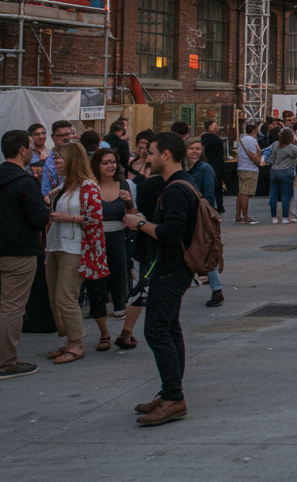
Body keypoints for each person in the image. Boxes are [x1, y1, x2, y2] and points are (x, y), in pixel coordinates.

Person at [123, 132, 199, 426]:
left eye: (151, 153)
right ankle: (170, 391)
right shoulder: (177, 184)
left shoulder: (176, 189)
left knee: (156, 331)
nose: (147, 158)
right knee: (169, 327)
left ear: (166, 154)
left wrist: (140, 223)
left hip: (172, 267)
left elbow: (172, 233)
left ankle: (173, 398)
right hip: (172, 267)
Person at [0, 130, 50, 379]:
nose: (33, 151)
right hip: (18, 252)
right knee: (12, 308)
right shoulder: (24, 181)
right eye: (31, 147)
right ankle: (8, 362)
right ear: (22, 149)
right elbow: (39, 218)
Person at [45, 143, 108, 364]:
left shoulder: (88, 186)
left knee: (66, 297)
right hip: (55, 246)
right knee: (54, 296)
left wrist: (68, 218)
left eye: (60, 158)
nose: (56, 161)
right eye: (55, 158)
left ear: (72, 159)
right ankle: (69, 339)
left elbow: (95, 218)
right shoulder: (64, 186)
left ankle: (76, 343)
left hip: (75, 248)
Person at [89, 148, 134, 338]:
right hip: (95, 237)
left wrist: (130, 203)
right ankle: (98, 310)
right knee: (97, 278)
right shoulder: (90, 186)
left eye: (113, 162)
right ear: (97, 166)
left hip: (117, 236)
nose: (110, 166)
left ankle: (119, 306)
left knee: (119, 272)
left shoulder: (123, 184)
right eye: (106, 162)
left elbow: (132, 215)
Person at [182, 139, 224, 308]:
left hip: (201, 216)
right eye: (191, 148)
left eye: (198, 149)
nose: (195, 152)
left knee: (205, 251)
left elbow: (209, 195)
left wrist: (208, 217)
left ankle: (217, 289)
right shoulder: (182, 169)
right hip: (185, 215)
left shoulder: (205, 168)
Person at [266, 128, 297, 225]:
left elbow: (271, 157)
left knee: (273, 194)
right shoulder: (292, 147)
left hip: (274, 171)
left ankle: (274, 217)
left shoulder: (275, 145)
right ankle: (285, 217)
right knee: (286, 195)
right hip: (287, 172)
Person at [40, 119, 77, 197]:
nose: (66, 138)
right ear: (53, 137)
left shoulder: (79, 156)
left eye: (68, 134)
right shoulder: (50, 161)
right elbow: (45, 190)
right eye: (61, 135)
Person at [235, 122, 263, 225]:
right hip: (250, 168)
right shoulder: (252, 140)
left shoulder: (242, 139)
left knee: (241, 192)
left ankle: (238, 215)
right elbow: (255, 154)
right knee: (246, 193)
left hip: (241, 167)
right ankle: (245, 216)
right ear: (255, 130)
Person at [200, 121, 227, 214]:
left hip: (208, 163)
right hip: (216, 165)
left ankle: (209, 205)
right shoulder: (216, 139)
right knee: (217, 187)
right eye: (213, 126)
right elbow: (220, 154)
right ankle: (220, 205)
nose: (216, 128)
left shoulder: (203, 138)